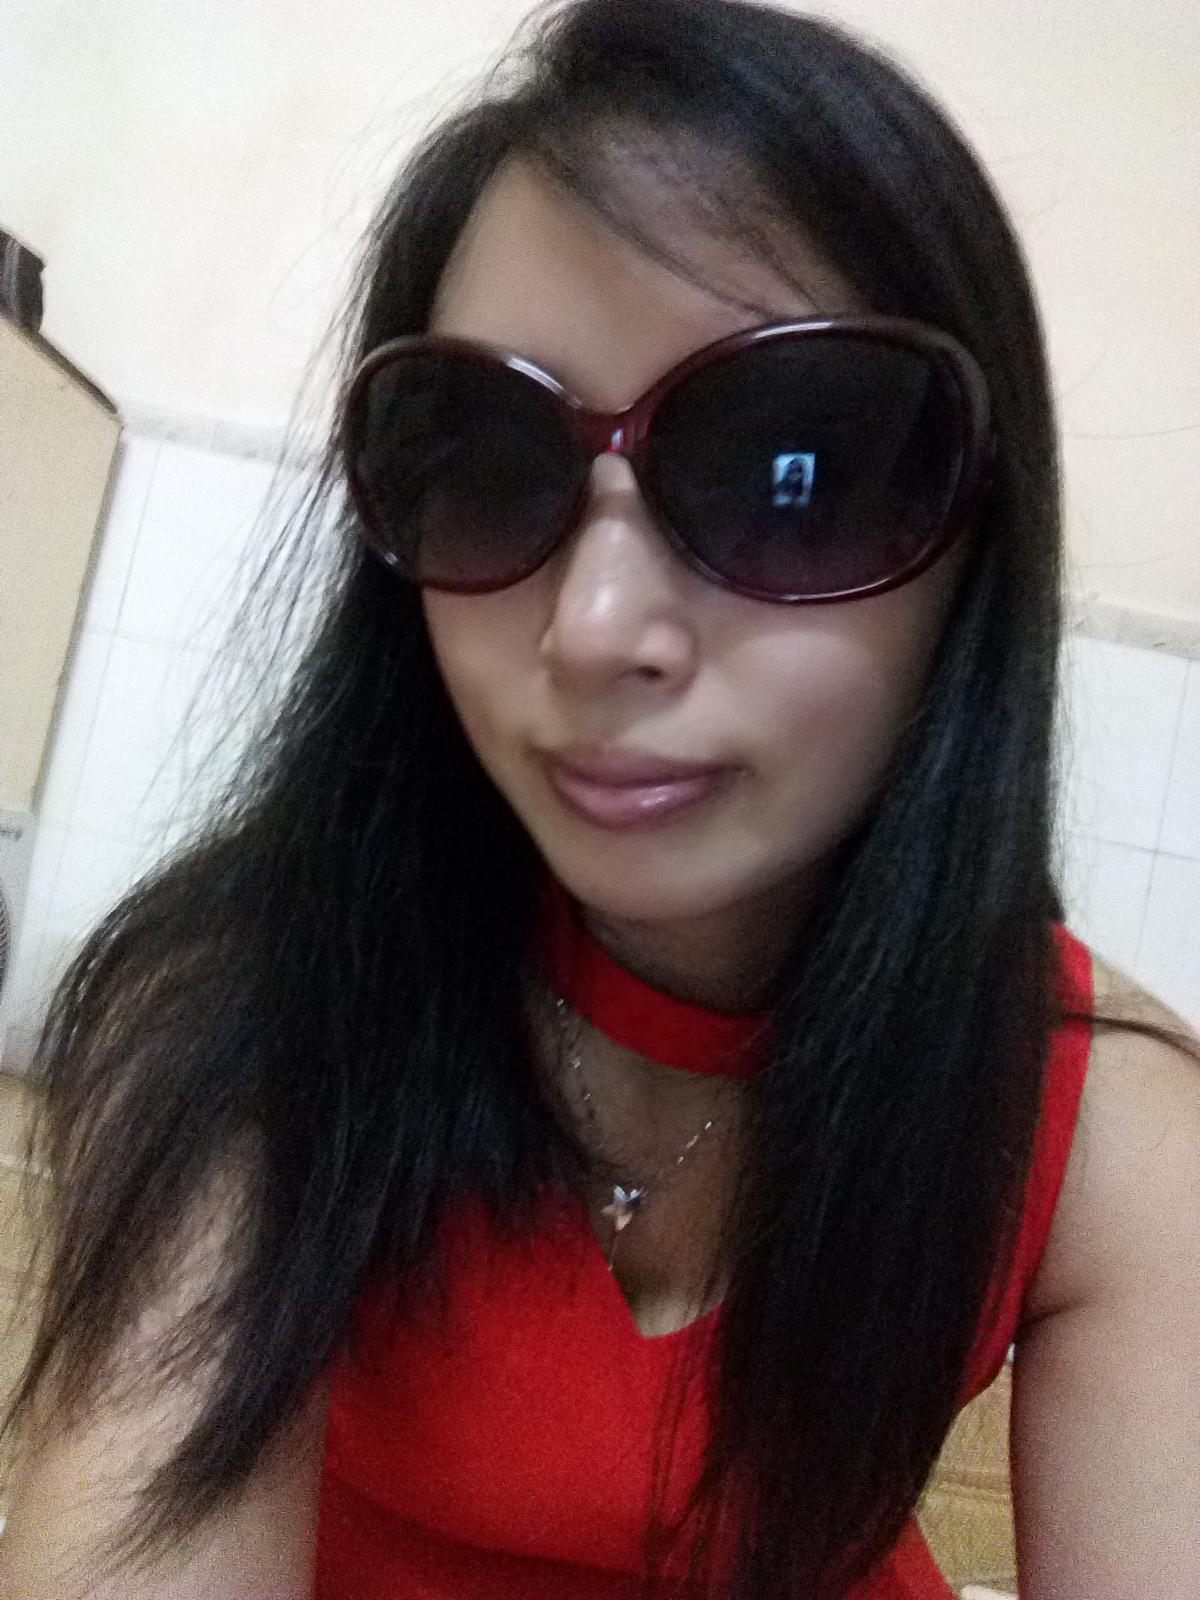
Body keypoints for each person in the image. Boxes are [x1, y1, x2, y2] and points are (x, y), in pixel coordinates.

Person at [1, 1, 1198, 1596]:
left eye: (788, 475)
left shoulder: (1104, 1129)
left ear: (977, 539)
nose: (593, 626)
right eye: (491, 463)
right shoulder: (248, 1011)